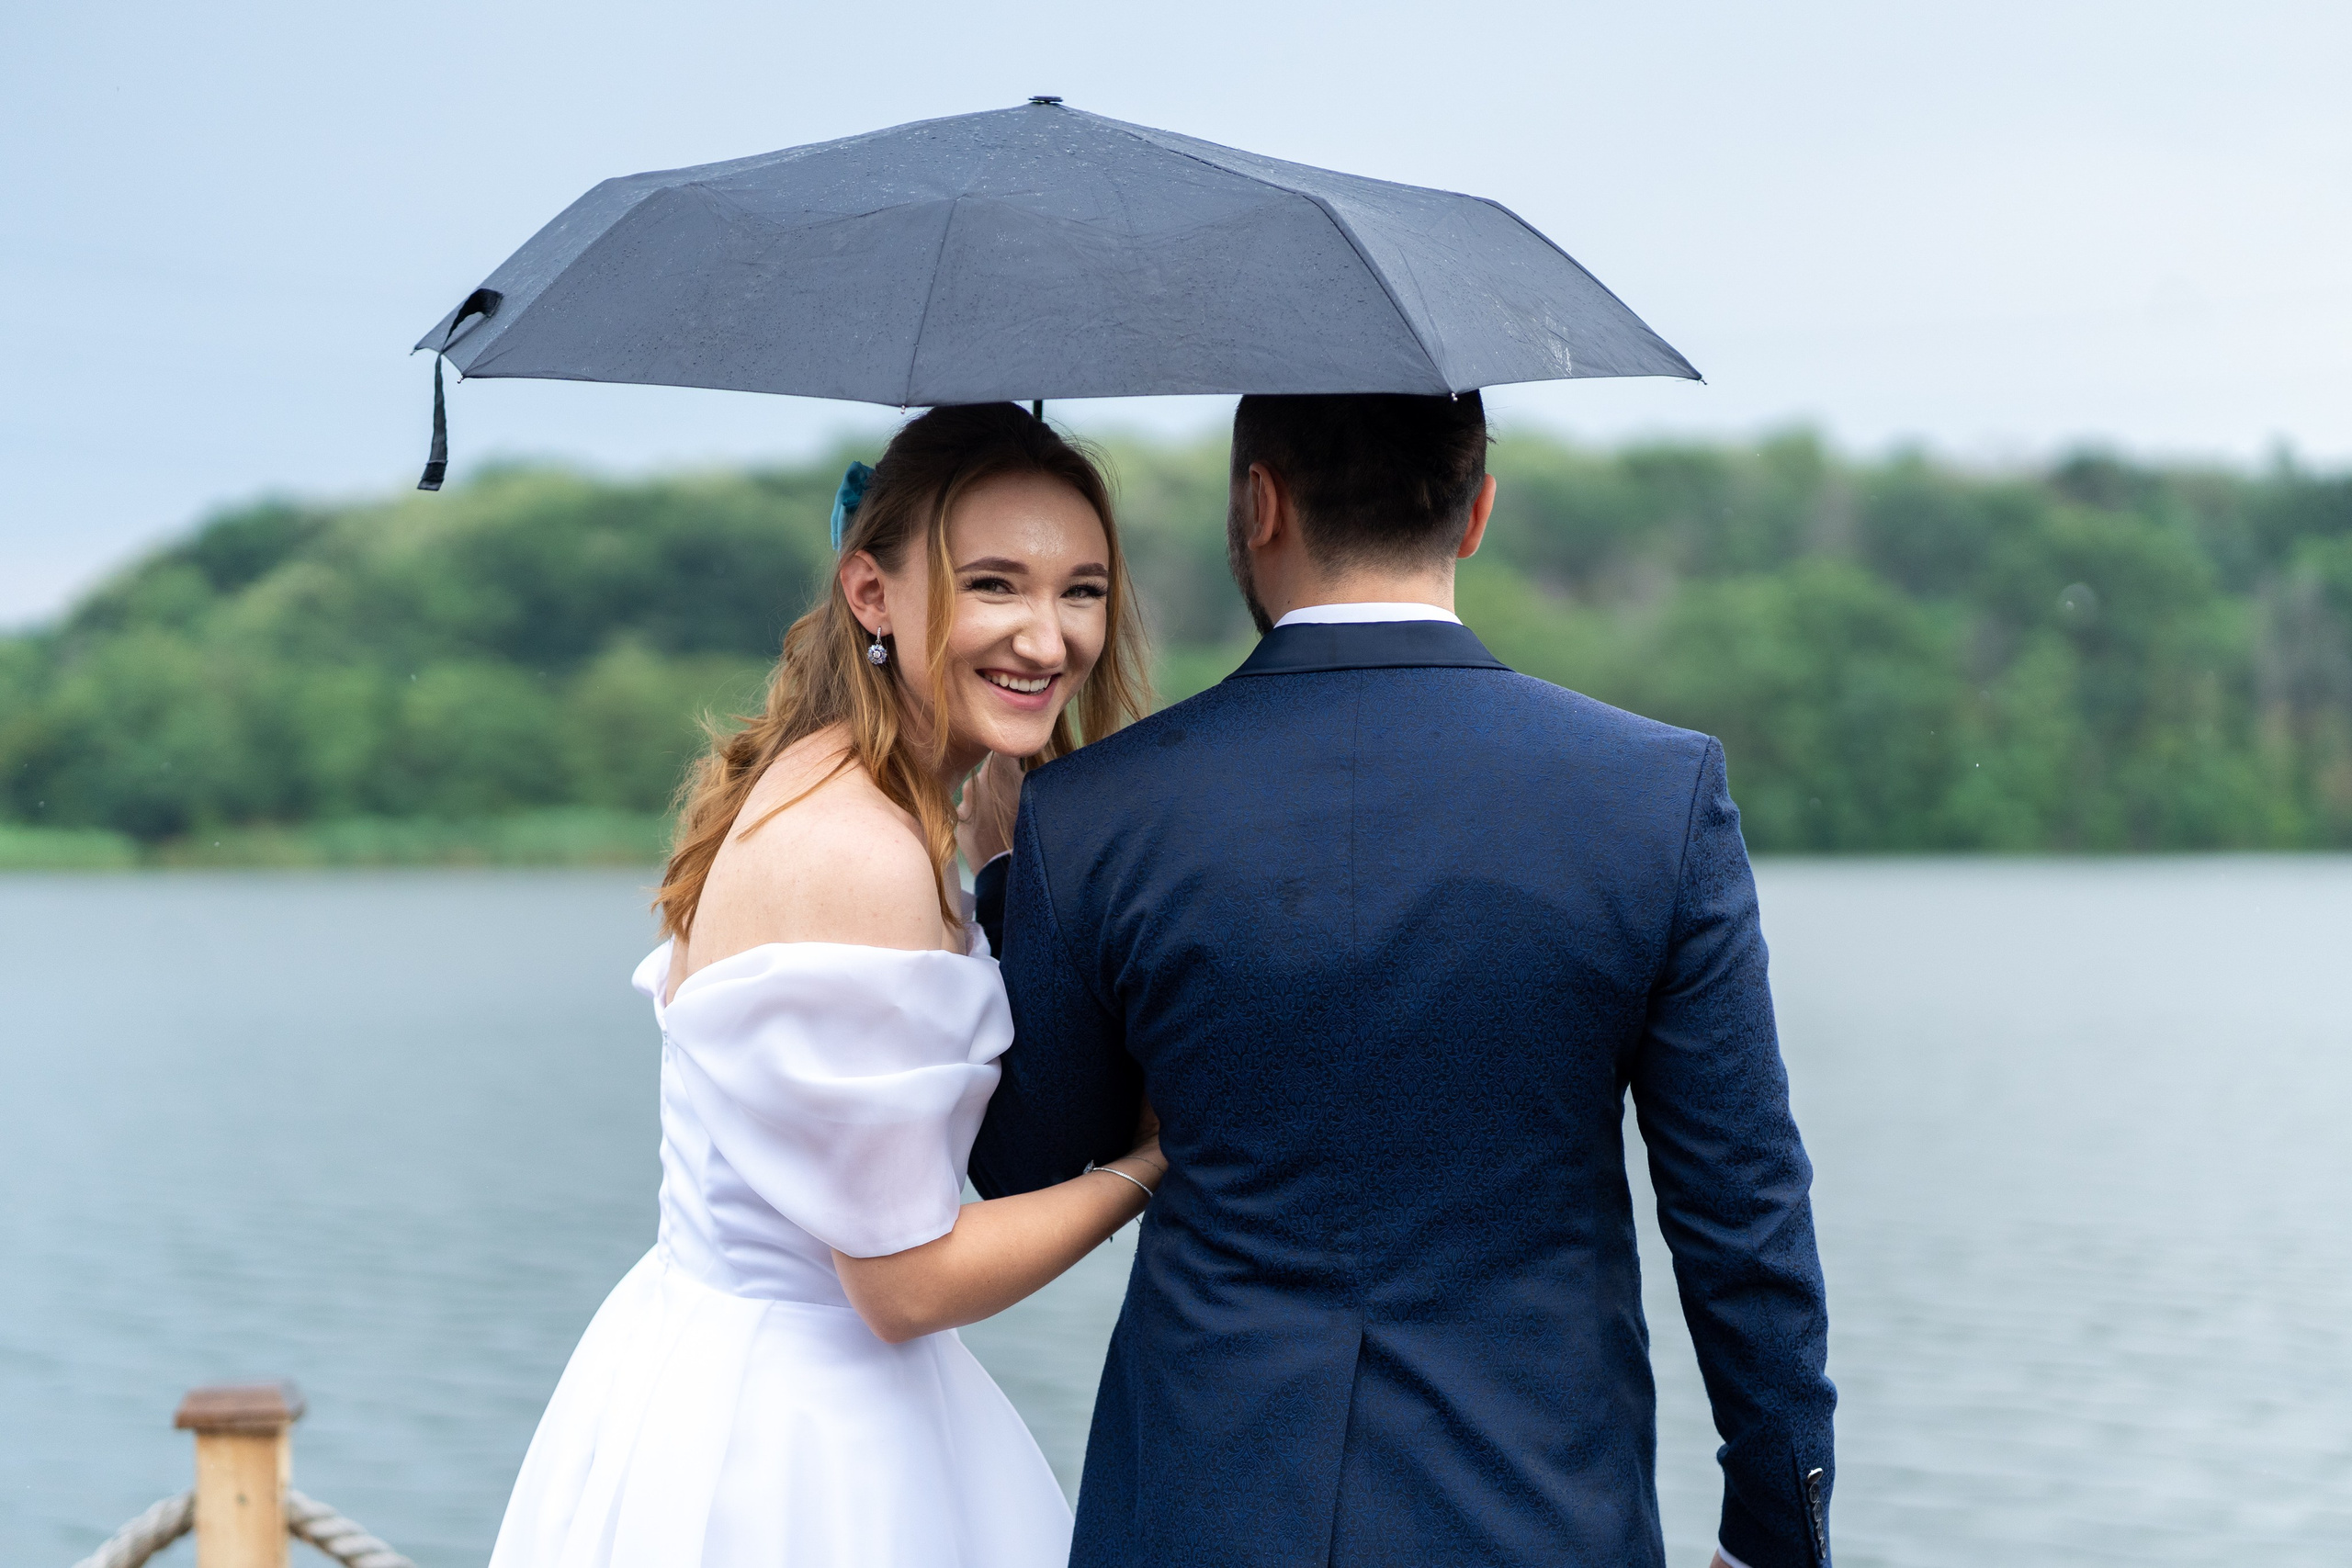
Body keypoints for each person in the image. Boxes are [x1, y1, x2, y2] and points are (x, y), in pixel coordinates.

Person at [966, 392, 1837, 1568]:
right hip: (1535, 1518)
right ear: (1476, 513)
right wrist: (1777, 1534)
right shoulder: (1654, 795)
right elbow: (1743, 1214)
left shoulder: (1095, 810)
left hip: (1201, 1515)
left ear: (1258, 504)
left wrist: (1010, 878)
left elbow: (1025, 1163)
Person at [486, 402, 1160, 1568]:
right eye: (993, 585)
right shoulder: (858, 851)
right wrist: (1163, 1161)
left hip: (744, 1368)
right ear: (870, 594)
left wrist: (1004, 869)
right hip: (792, 1444)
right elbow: (903, 1282)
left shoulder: (878, 799)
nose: (1047, 639)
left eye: (1082, 591)